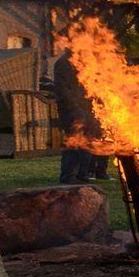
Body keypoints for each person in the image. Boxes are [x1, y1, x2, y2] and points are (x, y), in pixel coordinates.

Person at [52, 46, 101, 185]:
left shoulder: (84, 61)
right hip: (71, 110)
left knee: (88, 141)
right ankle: (68, 175)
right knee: (73, 141)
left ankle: (82, 174)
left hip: (88, 107)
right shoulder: (63, 63)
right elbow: (62, 90)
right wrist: (74, 108)